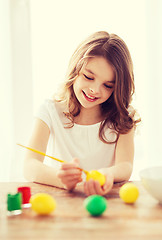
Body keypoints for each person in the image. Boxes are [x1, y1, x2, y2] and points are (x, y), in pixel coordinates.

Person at [23, 31, 140, 196]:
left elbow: (125, 165)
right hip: (63, 202)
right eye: (88, 77)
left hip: (106, 201)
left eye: (107, 85)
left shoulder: (124, 115)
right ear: (75, 69)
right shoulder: (50, 111)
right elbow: (29, 165)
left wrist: (108, 174)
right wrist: (60, 179)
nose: (94, 90)